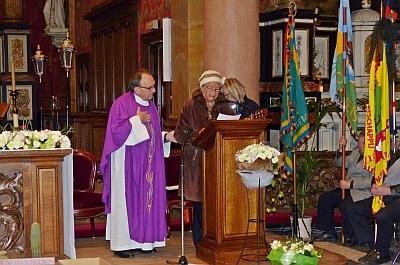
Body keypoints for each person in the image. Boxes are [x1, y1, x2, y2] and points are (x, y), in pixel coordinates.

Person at [100, 69, 177, 258]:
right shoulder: (121, 104)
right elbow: (116, 133)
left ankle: (145, 242)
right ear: (136, 89)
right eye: (149, 87)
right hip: (125, 162)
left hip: (147, 164)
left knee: (147, 199)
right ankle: (122, 244)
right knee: (125, 202)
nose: (153, 91)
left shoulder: (151, 106)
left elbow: (151, 135)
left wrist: (166, 137)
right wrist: (136, 120)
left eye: (153, 87)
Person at [174, 70, 229, 245]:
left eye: (217, 89)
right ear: (202, 87)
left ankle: (217, 240)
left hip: (219, 160)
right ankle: (200, 242)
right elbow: (180, 134)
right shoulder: (190, 106)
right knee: (200, 205)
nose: (213, 93)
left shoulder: (225, 106)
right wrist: (200, 134)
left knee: (216, 203)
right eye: (210, 88)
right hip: (197, 161)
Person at [314, 131, 373, 243]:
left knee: (345, 204)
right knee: (325, 198)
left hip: (362, 191)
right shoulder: (356, 152)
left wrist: (351, 183)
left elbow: (372, 181)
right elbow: (341, 163)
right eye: (359, 143)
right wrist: (341, 150)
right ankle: (328, 232)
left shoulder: (376, 157)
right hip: (347, 188)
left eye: (364, 143)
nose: (360, 146)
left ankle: (351, 234)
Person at [348, 146, 400, 264]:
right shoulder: (396, 154)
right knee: (354, 208)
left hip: (396, 196)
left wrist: (390, 190)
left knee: (383, 215)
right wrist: (375, 184)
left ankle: (382, 254)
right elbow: (381, 172)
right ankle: (374, 247)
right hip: (386, 195)